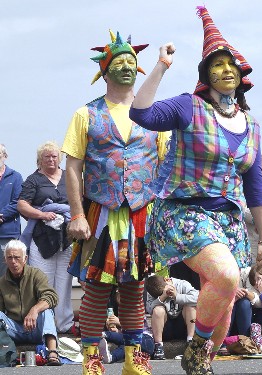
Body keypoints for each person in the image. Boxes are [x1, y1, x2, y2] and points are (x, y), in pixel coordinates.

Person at [129, 7, 262, 375]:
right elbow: (141, 113)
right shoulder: (188, 107)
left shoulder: (252, 124)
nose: (225, 70)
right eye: (216, 65)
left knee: (222, 296)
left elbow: (255, 184)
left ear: (242, 74)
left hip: (228, 219)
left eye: (231, 65)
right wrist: (160, 67)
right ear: (205, 75)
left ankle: (201, 363)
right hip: (184, 211)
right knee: (224, 277)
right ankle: (195, 348)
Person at [62, 30, 167, 375]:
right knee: (95, 287)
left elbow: (167, 169)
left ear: (138, 70)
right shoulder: (85, 114)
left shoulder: (156, 116)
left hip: (142, 213)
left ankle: (135, 359)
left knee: (135, 288)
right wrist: (77, 213)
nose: (125, 66)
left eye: (131, 61)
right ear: (104, 71)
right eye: (118, 61)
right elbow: (73, 167)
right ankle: (91, 358)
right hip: (100, 211)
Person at [17, 141, 74, 334]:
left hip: (66, 238)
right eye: (47, 156)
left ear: (60, 158)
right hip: (42, 239)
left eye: (54, 156)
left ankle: (64, 325)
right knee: (43, 283)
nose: (51, 159)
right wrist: (42, 215)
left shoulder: (69, 177)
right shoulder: (33, 180)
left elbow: (79, 201)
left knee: (65, 282)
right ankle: (46, 326)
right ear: (40, 160)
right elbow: (22, 205)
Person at [0, 240, 62, 365]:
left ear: (25, 259)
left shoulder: (36, 275)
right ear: (5, 260)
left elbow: (51, 296)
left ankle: (52, 352)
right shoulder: (1, 282)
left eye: (17, 257)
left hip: (36, 328)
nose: (13, 262)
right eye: (9, 258)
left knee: (47, 311)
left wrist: (34, 310)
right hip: (15, 329)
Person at [145, 274, 198, 360]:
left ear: (167, 280)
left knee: (190, 306)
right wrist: (162, 297)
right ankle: (158, 346)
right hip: (165, 327)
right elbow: (149, 308)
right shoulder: (152, 290)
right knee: (157, 310)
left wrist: (177, 296)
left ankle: (191, 343)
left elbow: (198, 298)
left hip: (183, 325)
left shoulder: (182, 284)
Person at [0, 144, 22, 277]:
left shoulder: (16, 177)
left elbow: (18, 202)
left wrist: (1, 215)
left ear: (5, 156)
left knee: (6, 276)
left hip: (8, 235)